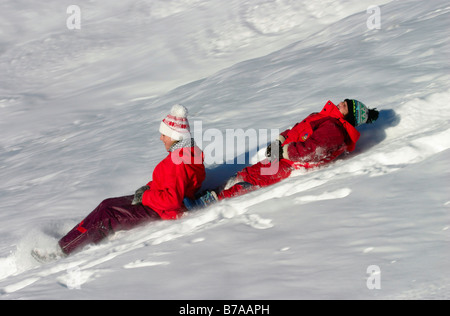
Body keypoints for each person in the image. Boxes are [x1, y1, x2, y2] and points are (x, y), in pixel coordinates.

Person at [33, 104, 205, 261]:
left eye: (164, 134)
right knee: (106, 205)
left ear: (175, 136)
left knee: (107, 217)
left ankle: (62, 253)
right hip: (154, 201)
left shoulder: (179, 161)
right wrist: (148, 187)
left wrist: (145, 196)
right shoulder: (184, 154)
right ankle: (67, 242)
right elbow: (170, 183)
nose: (161, 138)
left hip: (160, 211)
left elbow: (172, 201)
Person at [186, 99, 379, 209]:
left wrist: (285, 150)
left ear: (349, 115)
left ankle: (209, 203)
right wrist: (280, 140)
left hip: (290, 163)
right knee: (244, 174)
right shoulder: (326, 117)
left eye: (344, 105)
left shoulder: (334, 129)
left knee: (250, 182)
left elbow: (312, 151)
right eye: (343, 101)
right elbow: (297, 130)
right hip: (283, 156)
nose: (340, 103)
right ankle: (212, 193)